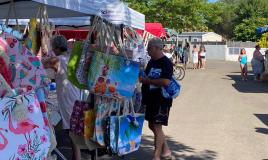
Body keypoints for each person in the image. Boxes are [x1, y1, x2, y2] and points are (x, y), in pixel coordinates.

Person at [42, 35, 81, 160]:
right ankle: (77, 156)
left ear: (57, 48)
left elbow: (40, 64)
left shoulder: (57, 60)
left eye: (53, 48)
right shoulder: (70, 58)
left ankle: (78, 157)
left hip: (68, 97)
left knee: (72, 131)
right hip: (75, 94)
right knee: (73, 129)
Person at [141, 38, 174, 160]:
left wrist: (147, 80)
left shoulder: (166, 63)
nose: (147, 50)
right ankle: (166, 150)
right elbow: (146, 75)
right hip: (150, 99)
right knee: (152, 125)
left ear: (156, 48)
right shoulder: (151, 62)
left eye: (149, 48)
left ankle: (156, 156)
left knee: (157, 126)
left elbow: (166, 81)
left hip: (161, 100)